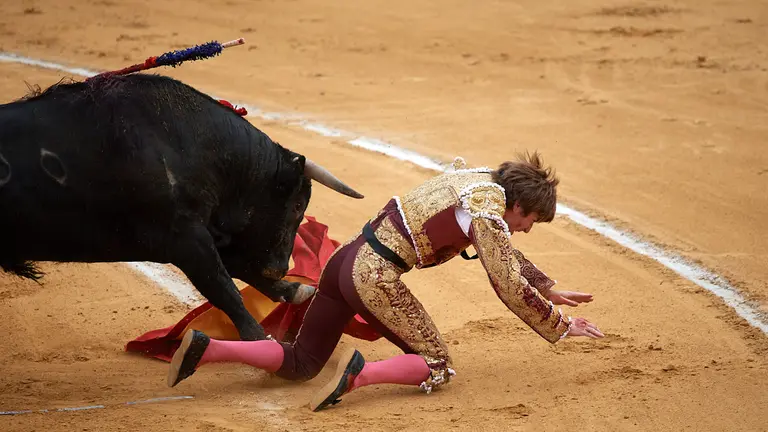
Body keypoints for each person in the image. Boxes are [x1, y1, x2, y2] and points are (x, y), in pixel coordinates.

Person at [166, 152, 604, 412]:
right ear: (520, 204)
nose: (526, 228)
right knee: (436, 364)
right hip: (372, 275)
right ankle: (360, 374)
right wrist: (559, 323)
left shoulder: (476, 182)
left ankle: (210, 349)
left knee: (302, 362)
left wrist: (545, 286)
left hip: (344, 261)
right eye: (529, 220)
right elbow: (505, 278)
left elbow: (504, 252)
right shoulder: (488, 211)